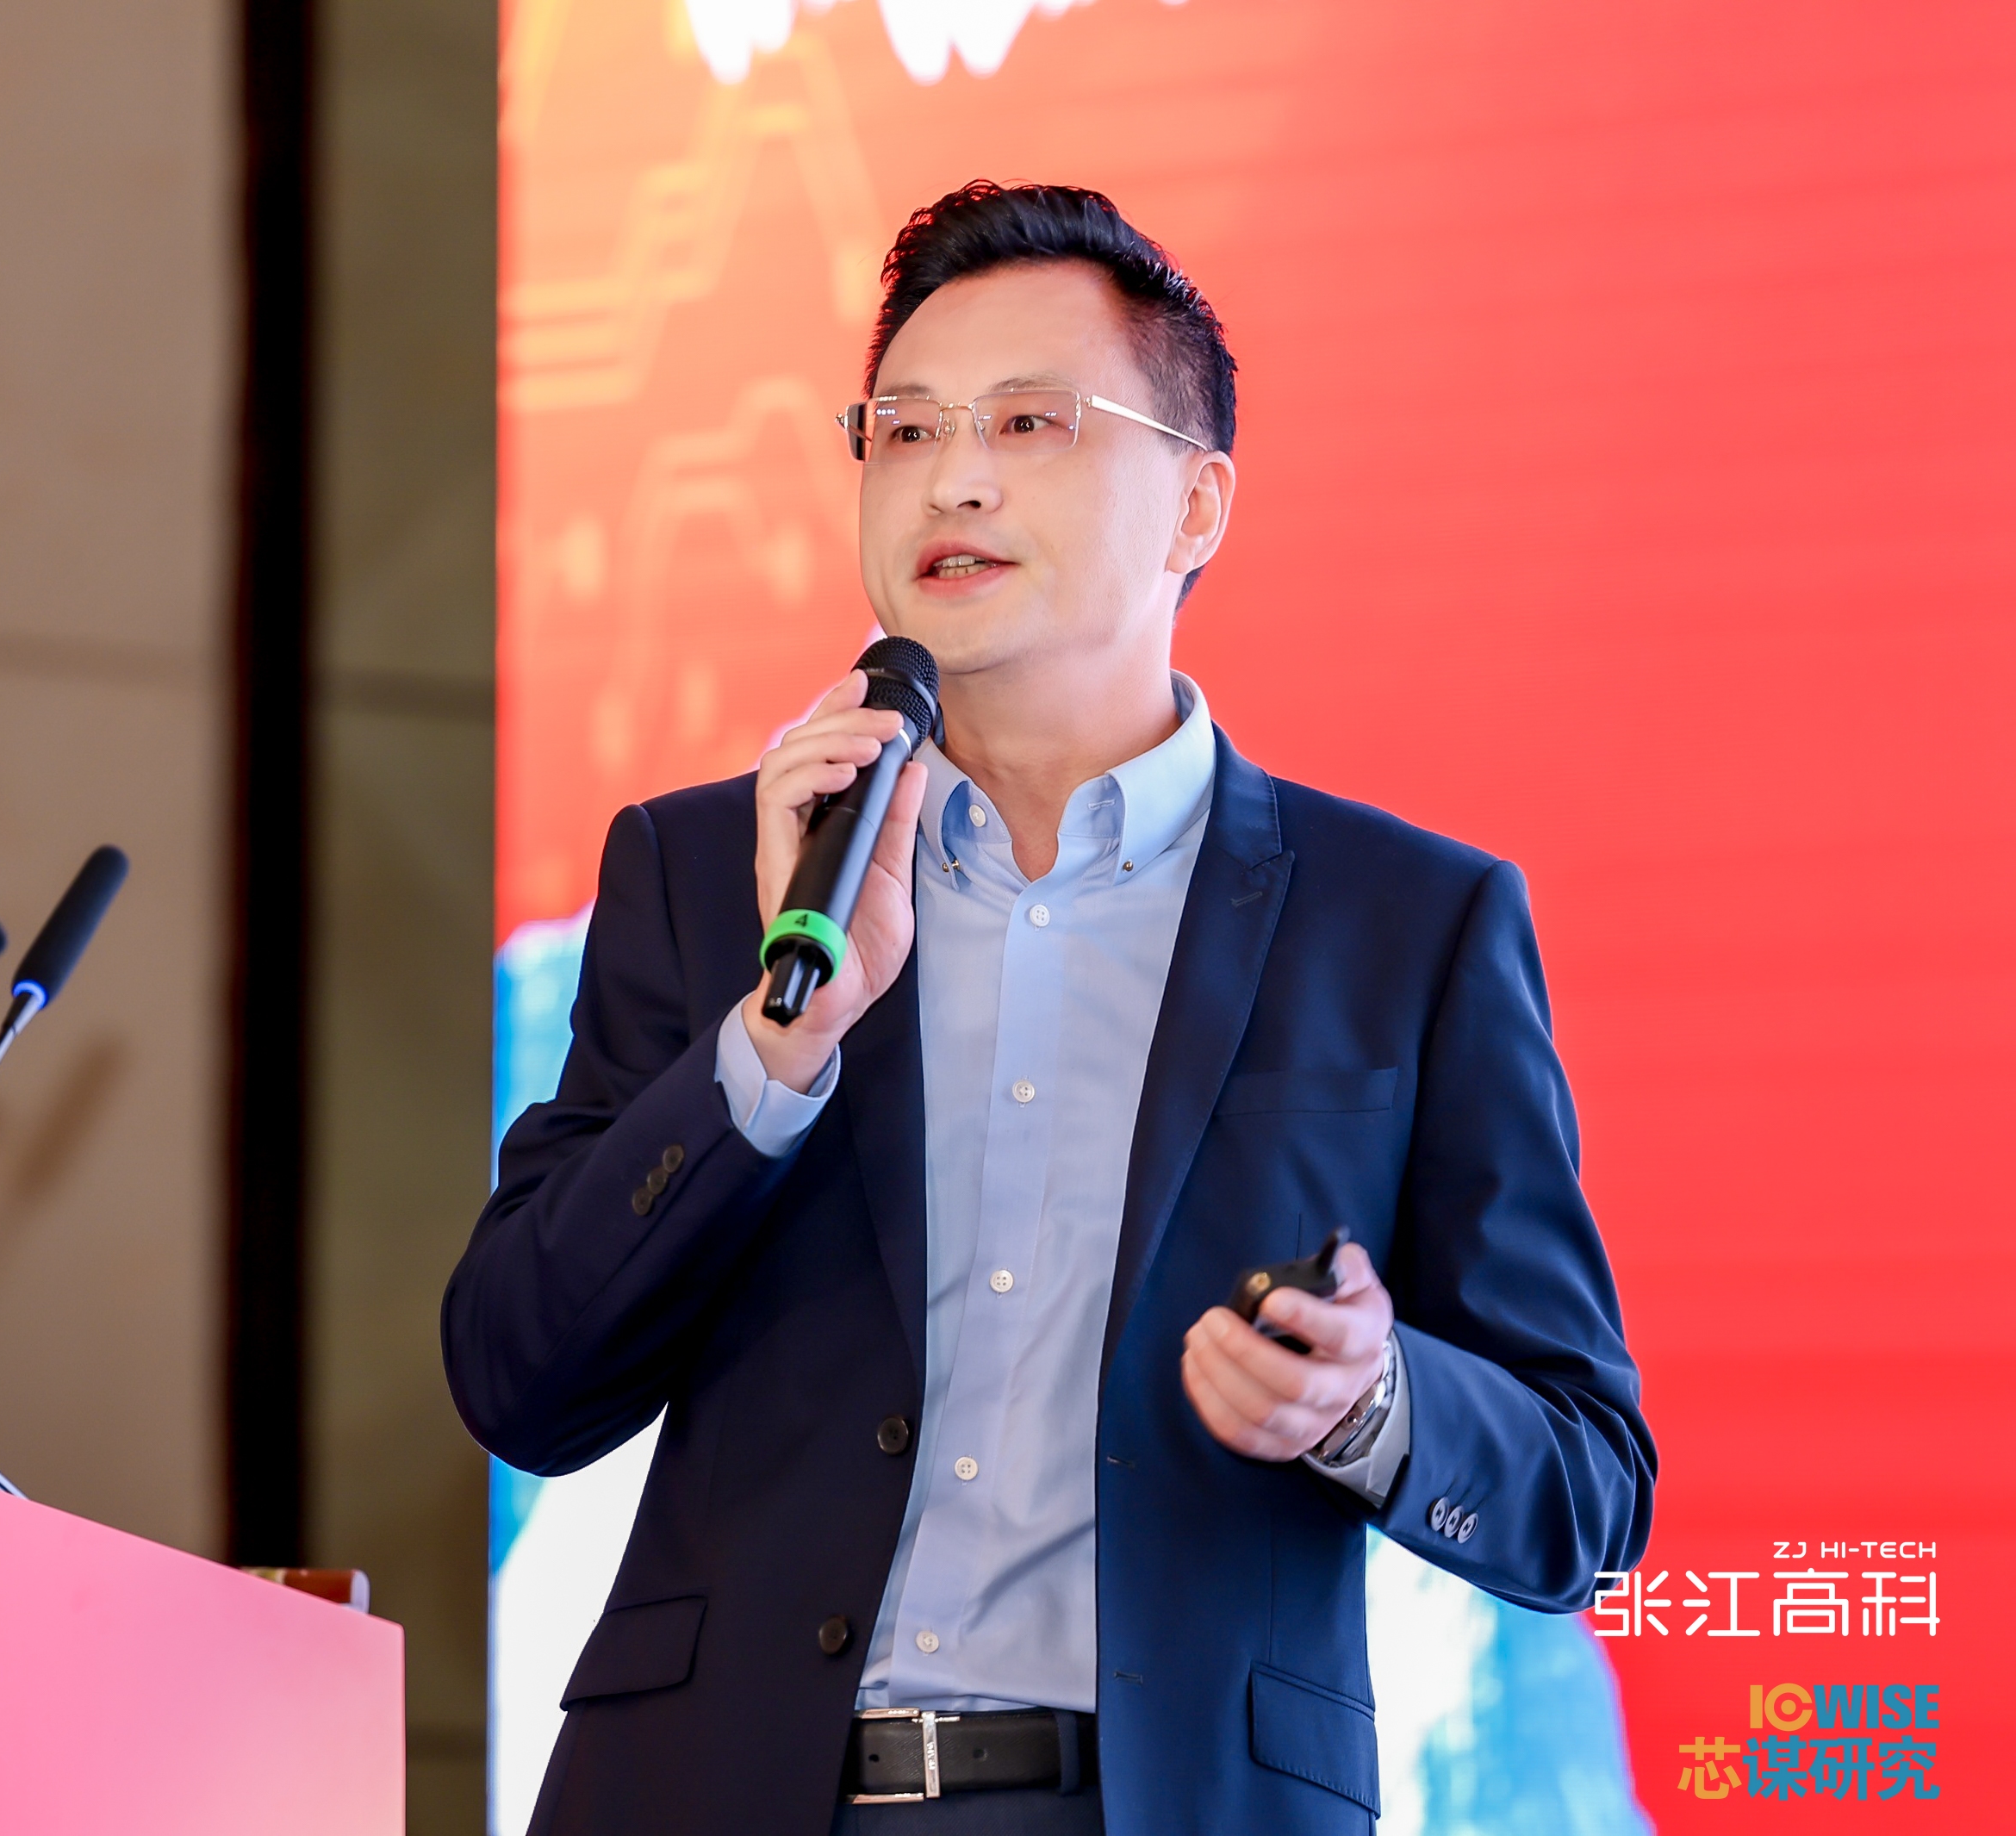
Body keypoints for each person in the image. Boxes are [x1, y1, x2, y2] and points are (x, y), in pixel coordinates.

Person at [444, 181, 1653, 1835]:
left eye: (1029, 421)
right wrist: (771, 1051)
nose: (953, 478)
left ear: (1196, 505)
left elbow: (1586, 1489)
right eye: (903, 431)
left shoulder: (1401, 924)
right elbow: (520, 1379)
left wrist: (1371, 1405)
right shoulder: (710, 872)